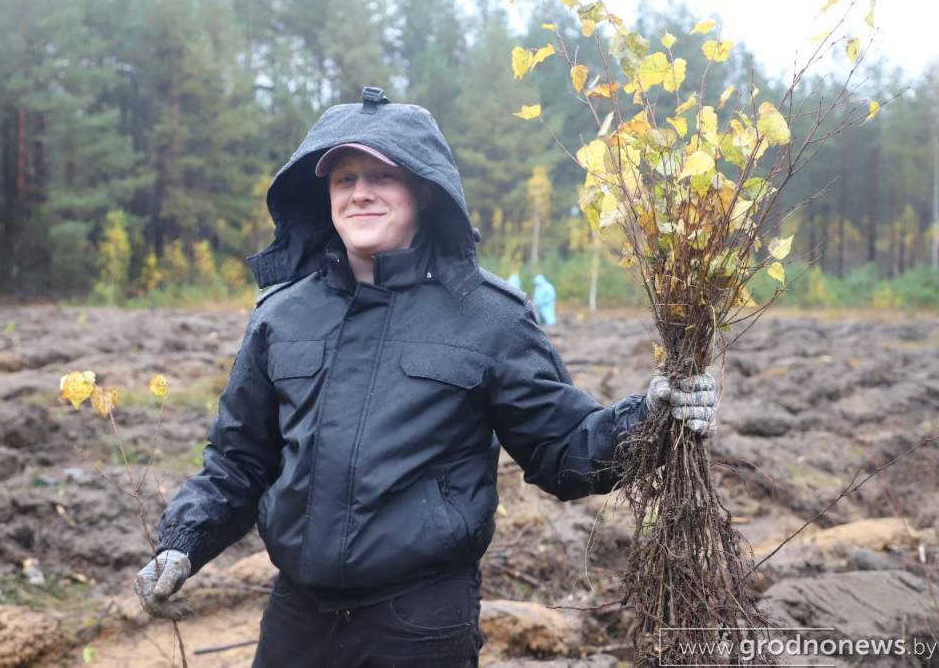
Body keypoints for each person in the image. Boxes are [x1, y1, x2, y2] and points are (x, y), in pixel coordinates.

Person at [134, 87, 717, 667]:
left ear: (422, 190)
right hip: (297, 617)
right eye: (343, 179)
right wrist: (184, 542)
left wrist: (654, 418)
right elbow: (239, 460)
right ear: (326, 198)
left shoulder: (489, 316)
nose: (359, 192)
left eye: (380, 177)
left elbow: (559, 448)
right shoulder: (280, 315)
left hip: (419, 621)